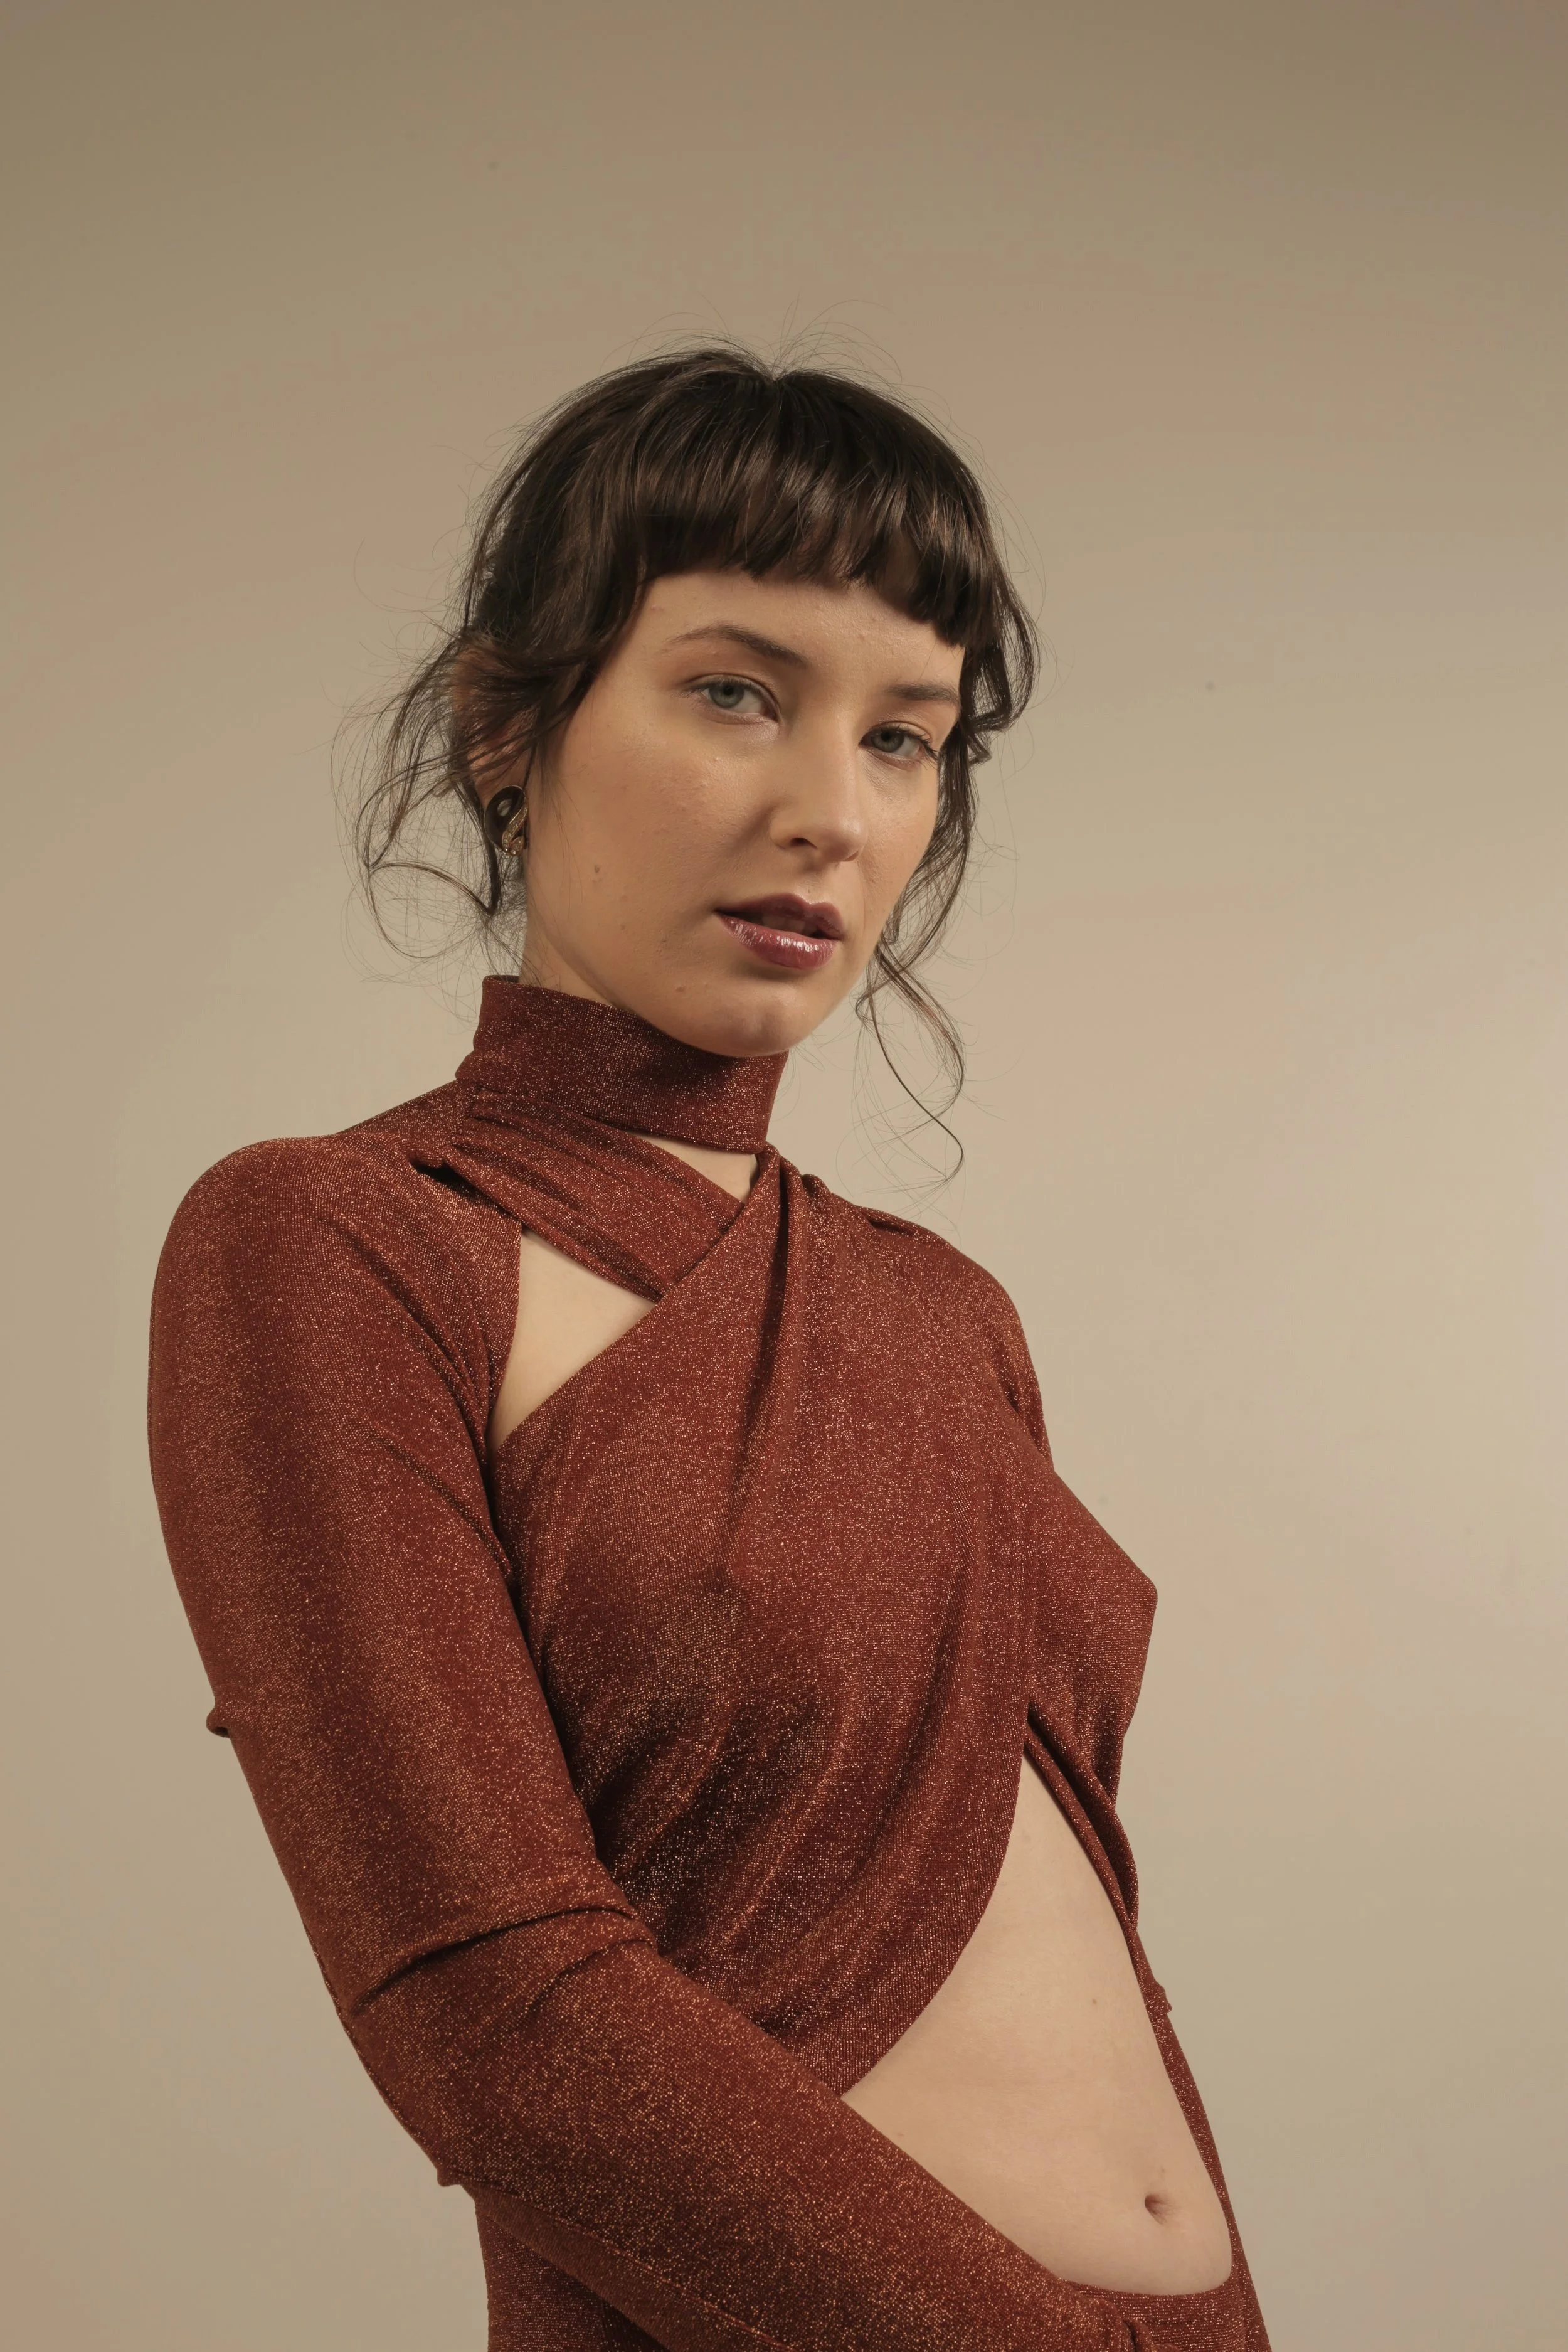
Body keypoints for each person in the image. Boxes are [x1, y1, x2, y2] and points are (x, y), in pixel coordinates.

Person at [148, 348, 1271, 2351]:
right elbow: (492, 2018)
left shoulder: (943, 1309)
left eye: (908, 737)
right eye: (735, 691)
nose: (829, 811)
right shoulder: (343, 1240)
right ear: (512, 724)